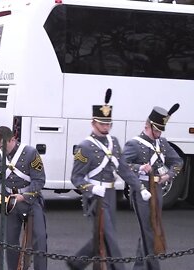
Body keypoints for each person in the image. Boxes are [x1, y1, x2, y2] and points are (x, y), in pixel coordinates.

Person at [68, 89, 151, 270]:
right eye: (102, 124)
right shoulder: (85, 147)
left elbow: (123, 169)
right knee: (111, 237)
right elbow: (76, 178)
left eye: (108, 124)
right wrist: (90, 188)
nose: (106, 127)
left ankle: (77, 262)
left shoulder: (113, 142)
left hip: (111, 194)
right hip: (95, 198)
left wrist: (140, 188)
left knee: (104, 235)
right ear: (93, 123)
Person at [122, 104, 183, 270]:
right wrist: (139, 168)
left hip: (157, 189)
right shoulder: (134, 144)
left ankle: (139, 267)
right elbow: (121, 165)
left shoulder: (162, 143)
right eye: (157, 130)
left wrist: (168, 175)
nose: (159, 134)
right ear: (147, 125)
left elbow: (177, 162)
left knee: (151, 229)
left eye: (161, 131)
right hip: (140, 191)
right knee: (148, 231)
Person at [0, 126, 48, 270]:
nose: (1, 149)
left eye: (3, 146)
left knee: (40, 239)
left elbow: (39, 180)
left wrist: (24, 196)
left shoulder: (31, 152)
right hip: (8, 200)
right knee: (10, 241)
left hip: (30, 199)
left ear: (13, 139)